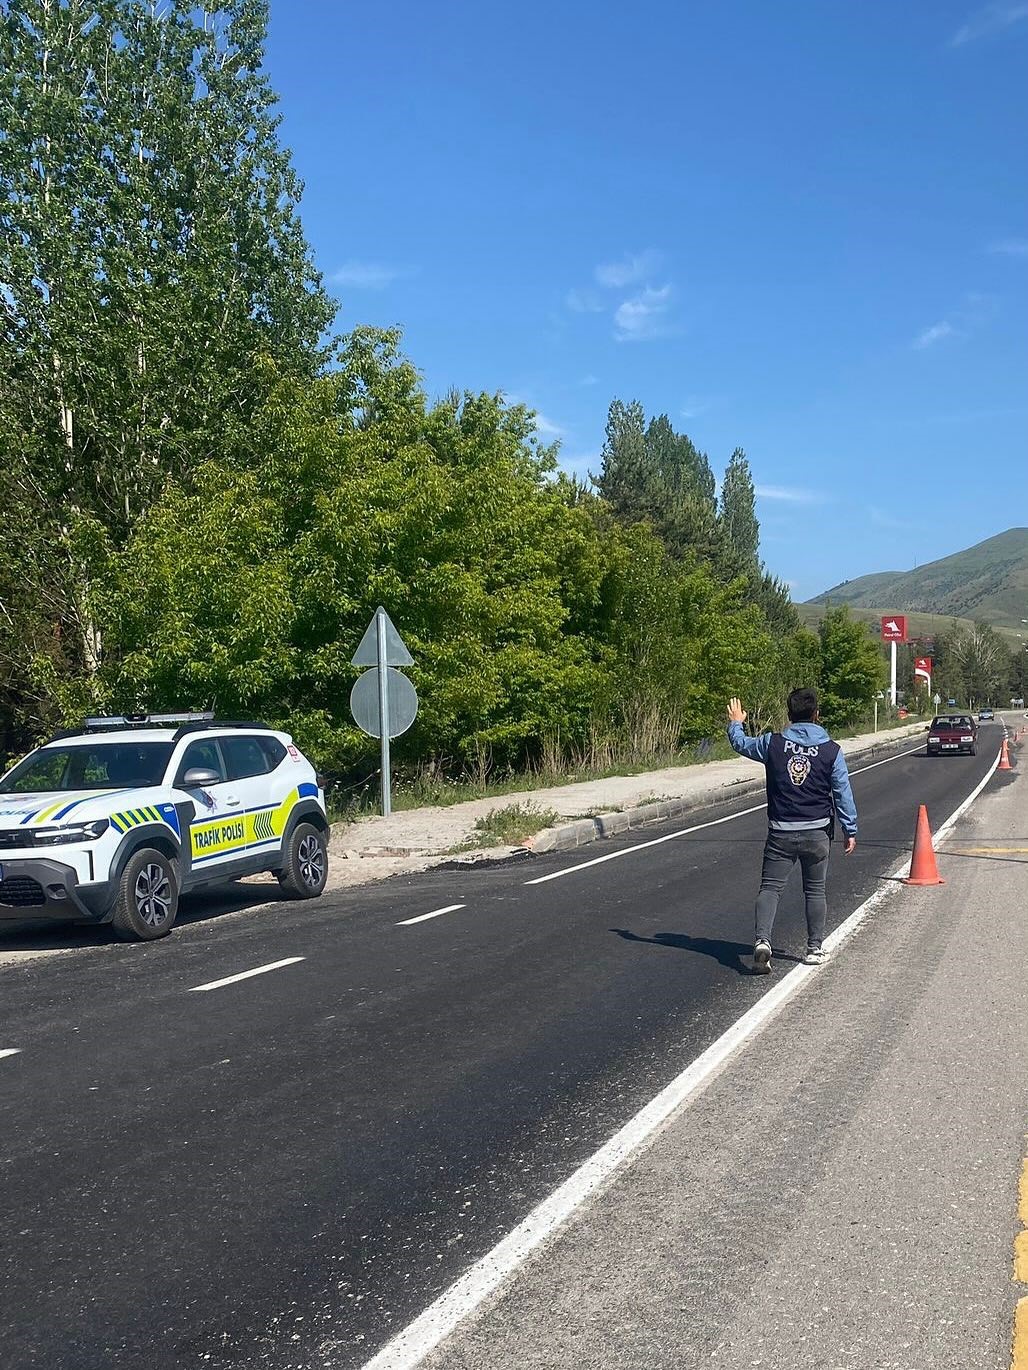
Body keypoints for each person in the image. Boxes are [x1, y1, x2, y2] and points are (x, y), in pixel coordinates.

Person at [726, 688, 857, 974]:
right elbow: (842, 792)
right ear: (816, 715)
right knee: (815, 890)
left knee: (770, 888)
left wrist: (736, 721)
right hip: (818, 832)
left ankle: (763, 942)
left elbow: (740, 743)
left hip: (780, 833)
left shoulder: (771, 744)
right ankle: (813, 948)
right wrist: (850, 828)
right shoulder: (831, 750)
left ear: (789, 715)